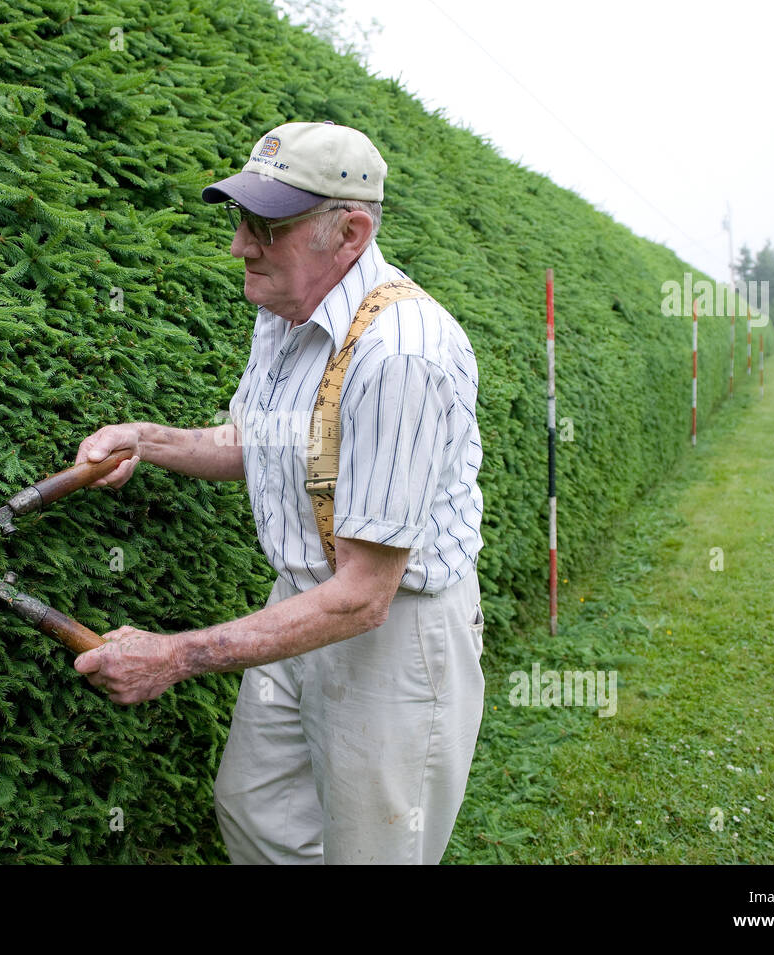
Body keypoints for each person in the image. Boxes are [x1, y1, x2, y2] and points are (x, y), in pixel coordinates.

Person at [72, 121, 486, 864]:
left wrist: (175, 655)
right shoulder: (285, 310)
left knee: (373, 851)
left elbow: (364, 595)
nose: (240, 245)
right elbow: (257, 444)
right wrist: (144, 439)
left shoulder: (403, 355)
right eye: (239, 219)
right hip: (297, 602)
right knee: (254, 807)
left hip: (393, 637)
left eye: (267, 225)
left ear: (350, 232)